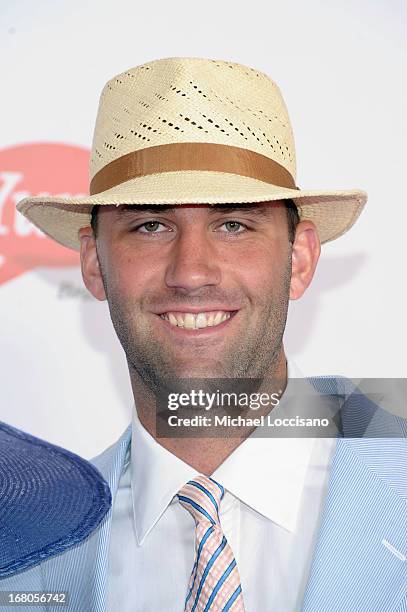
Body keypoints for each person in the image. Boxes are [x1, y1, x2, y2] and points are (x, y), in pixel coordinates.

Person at [0, 57, 405, 612]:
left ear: (302, 258)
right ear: (94, 263)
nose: (191, 272)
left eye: (234, 224)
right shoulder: (27, 548)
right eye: (150, 226)